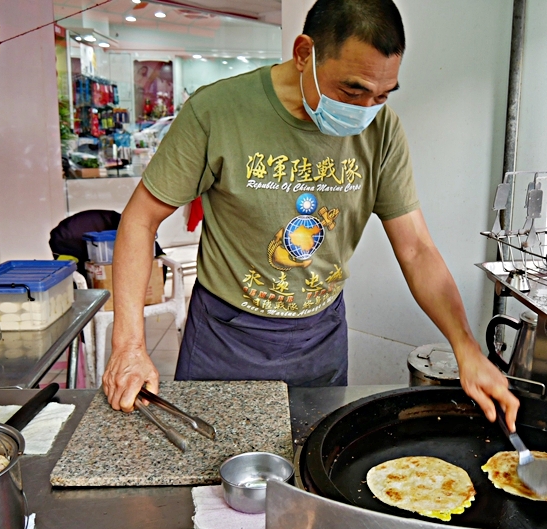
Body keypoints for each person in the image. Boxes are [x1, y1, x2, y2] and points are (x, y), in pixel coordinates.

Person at [102, 0, 520, 431]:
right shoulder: (218, 112)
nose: (364, 109)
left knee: (311, 468)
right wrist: (129, 344)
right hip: (227, 334)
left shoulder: (382, 131)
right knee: (212, 474)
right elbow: (139, 219)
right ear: (304, 53)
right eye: (352, 90)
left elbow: (416, 249)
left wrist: (466, 346)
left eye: (381, 95)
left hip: (319, 335)